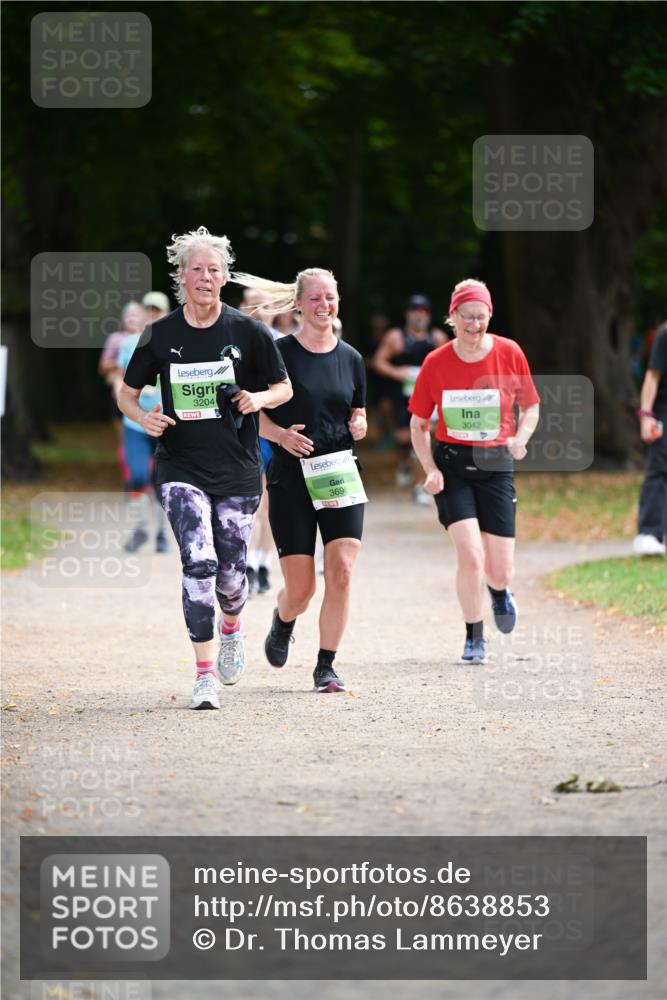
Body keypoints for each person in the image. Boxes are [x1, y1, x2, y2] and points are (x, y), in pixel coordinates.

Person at [118, 227, 292, 710]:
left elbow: (284, 387)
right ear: (182, 276)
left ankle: (232, 628)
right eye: (197, 269)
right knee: (199, 563)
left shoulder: (248, 331)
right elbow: (126, 393)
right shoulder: (161, 334)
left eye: (214, 269)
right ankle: (203, 675)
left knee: (232, 577)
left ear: (223, 277)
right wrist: (143, 417)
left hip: (237, 468)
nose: (206, 277)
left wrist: (257, 398)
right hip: (180, 465)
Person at [233, 267, 367, 693]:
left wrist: (360, 423)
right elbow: (249, 413)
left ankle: (326, 666)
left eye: (330, 297)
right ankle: (284, 618)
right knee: (302, 589)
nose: (324, 305)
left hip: (339, 474)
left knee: (342, 570)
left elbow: (356, 410)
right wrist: (280, 436)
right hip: (292, 478)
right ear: (298, 304)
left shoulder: (352, 358)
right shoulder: (279, 355)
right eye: (315, 298)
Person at [409, 278, 540, 664]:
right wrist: (429, 468)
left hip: (497, 463)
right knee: (471, 557)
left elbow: (531, 405)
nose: (474, 325)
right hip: (453, 466)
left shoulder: (509, 352)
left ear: (489, 316)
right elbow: (419, 424)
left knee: (499, 570)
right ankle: (473, 636)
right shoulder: (436, 362)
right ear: (453, 317)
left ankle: (499, 591)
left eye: (481, 317)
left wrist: (521, 437)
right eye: (467, 317)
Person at [372, 295, 449, 504]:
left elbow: (449, 362)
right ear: (408, 313)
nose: (419, 314)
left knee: (426, 435)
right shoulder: (396, 337)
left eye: (423, 311)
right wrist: (399, 372)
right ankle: (405, 463)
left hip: (429, 395)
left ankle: (421, 484)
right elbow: (379, 362)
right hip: (402, 395)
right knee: (404, 437)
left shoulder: (437, 338)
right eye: (415, 310)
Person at [116, 314, 171, 554]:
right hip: (135, 423)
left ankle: (160, 533)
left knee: (161, 481)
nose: (153, 315)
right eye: (149, 310)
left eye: (158, 310)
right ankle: (140, 528)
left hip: (165, 423)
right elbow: (121, 380)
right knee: (137, 475)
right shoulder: (129, 344)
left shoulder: (174, 340)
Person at [240, 287, 282, 594]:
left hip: (271, 431)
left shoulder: (283, 343)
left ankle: (261, 563)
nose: (255, 310)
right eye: (250, 305)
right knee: (250, 504)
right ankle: (247, 564)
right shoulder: (228, 342)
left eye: (261, 305)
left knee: (267, 505)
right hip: (239, 431)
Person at [633, 322, 667, 556]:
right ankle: (649, 533)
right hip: (664, 412)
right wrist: (646, 415)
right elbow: (652, 376)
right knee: (660, 468)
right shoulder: (665, 335)